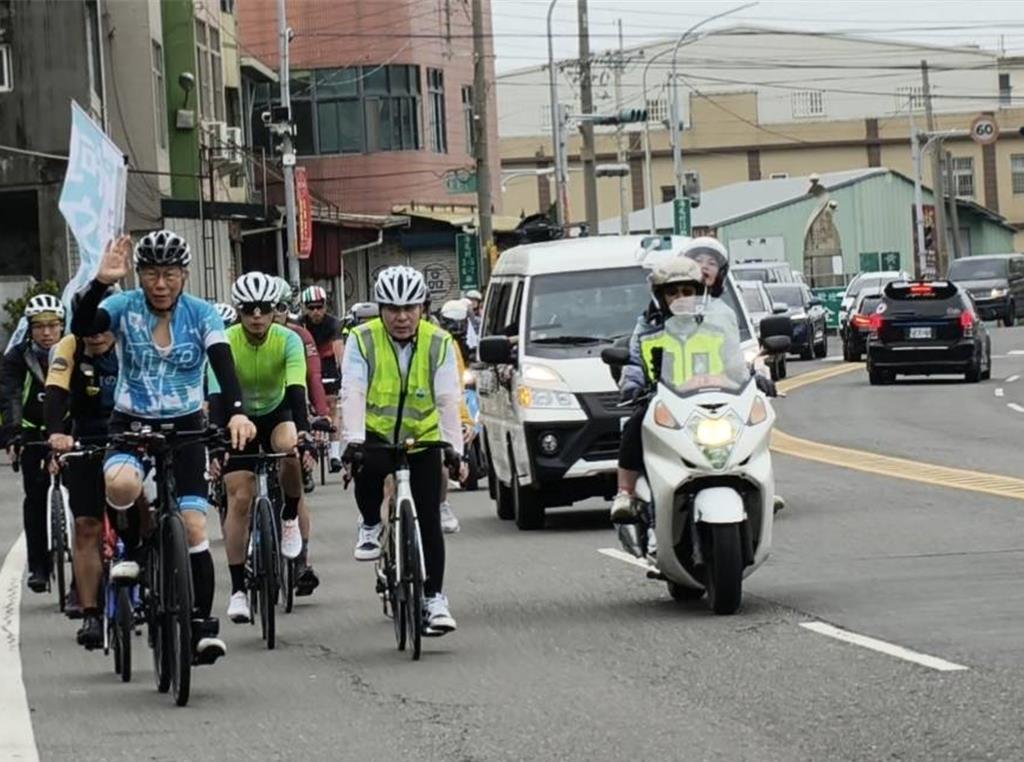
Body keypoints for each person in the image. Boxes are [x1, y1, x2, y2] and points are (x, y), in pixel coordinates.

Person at [70, 231, 256, 666]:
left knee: (193, 529)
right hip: (131, 424)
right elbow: (81, 327)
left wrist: (236, 412)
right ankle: (132, 551)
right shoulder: (123, 306)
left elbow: (223, 364)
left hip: (187, 426)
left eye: (169, 274)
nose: (160, 283)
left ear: (184, 275)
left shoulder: (202, 314)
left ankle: (200, 626)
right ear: (140, 275)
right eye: (151, 273)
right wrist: (100, 282)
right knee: (120, 485)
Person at [340, 266, 466, 634]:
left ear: (423, 307)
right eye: (392, 309)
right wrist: (352, 441)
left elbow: (446, 397)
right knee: (367, 469)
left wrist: (454, 450)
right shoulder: (362, 339)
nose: (401, 317)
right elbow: (353, 391)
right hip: (376, 434)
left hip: (423, 436)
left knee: (428, 516)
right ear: (380, 309)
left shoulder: (439, 341)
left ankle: (434, 598)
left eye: (410, 308)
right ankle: (369, 524)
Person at [209, 272, 313, 624]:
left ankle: (288, 518)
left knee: (289, 447)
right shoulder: (225, 340)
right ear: (239, 311)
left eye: (264, 309)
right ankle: (238, 589)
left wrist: (305, 433)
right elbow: (217, 392)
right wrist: (217, 441)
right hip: (236, 418)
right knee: (239, 498)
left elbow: (297, 389)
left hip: (275, 411)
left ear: (275, 310)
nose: (256, 316)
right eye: (249, 309)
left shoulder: (289, 340)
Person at [44, 286, 127, 649]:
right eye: (87, 330)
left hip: (131, 431)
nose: (95, 337)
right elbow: (56, 392)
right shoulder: (68, 347)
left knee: (144, 506)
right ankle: (92, 612)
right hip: (86, 438)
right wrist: (56, 434)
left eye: (102, 328)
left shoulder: (132, 344)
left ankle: (150, 562)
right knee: (86, 526)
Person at [610, 256, 713, 523]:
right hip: (663, 402)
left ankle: (756, 482)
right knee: (634, 424)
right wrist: (631, 386)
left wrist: (755, 376)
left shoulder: (715, 326)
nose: (680, 297)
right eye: (672, 292)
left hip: (710, 402)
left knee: (750, 421)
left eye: (687, 291)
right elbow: (633, 363)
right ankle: (625, 492)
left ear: (698, 294)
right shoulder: (647, 328)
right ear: (660, 296)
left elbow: (736, 358)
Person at [1, 294, 65, 592]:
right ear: (29, 328)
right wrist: (13, 435)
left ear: (62, 326)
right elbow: (10, 396)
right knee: (36, 496)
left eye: (53, 325)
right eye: (39, 326)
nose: (47, 332)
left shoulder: (73, 350)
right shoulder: (16, 356)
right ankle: (38, 566)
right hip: (31, 431)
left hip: (69, 429)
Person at [271, 277, 327, 593]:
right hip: (254, 415)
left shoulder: (299, 336)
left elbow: (314, 379)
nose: (273, 315)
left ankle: (302, 560)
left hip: (292, 410)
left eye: (279, 308)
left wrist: (321, 414)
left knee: (295, 489)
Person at [301, 285, 344, 473]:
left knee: (332, 405)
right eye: (311, 308)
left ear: (326, 307)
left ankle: (334, 454)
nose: (316, 312)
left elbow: (338, 351)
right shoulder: (300, 323)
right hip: (306, 362)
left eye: (319, 307)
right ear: (305, 308)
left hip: (326, 362)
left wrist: (343, 373)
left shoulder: (333, 323)